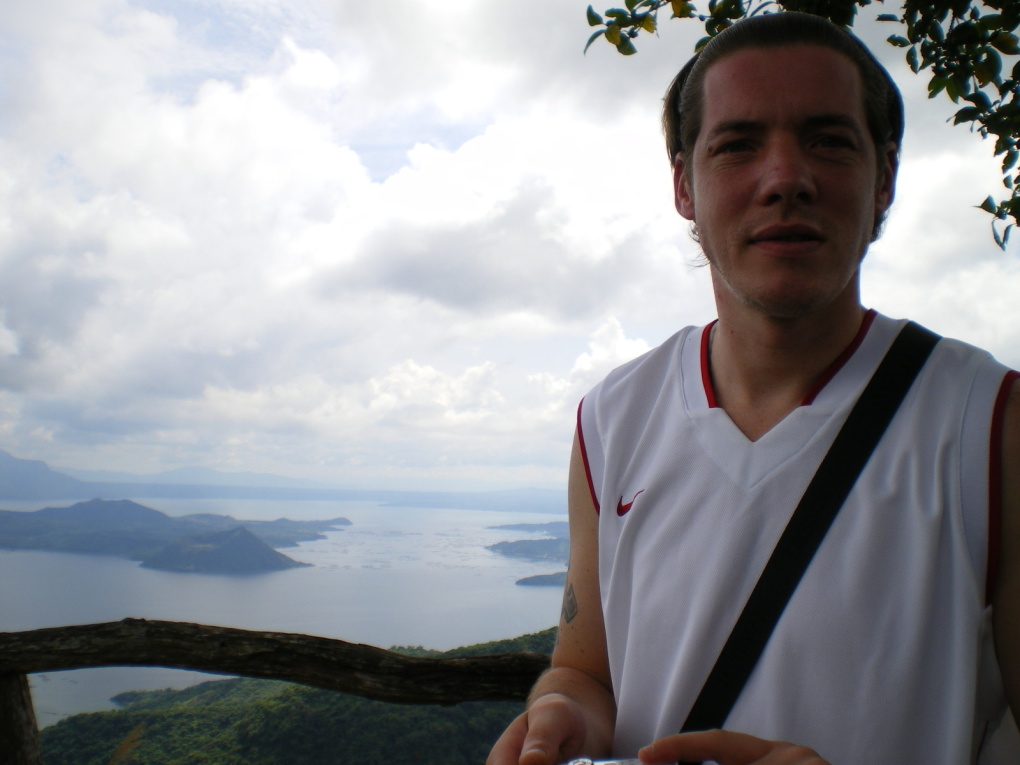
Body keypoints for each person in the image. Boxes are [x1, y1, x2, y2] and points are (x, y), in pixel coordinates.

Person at [488, 11, 1019, 765]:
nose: (785, 179)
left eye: (828, 140)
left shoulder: (988, 425)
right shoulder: (612, 419)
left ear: (886, 179)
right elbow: (585, 670)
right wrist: (561, 712)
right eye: (738, 145)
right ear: (684, 183)